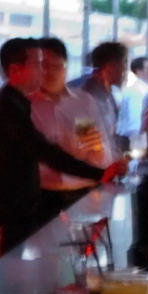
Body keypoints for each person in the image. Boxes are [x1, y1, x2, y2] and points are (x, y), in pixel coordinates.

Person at [0, 38, 124, 254]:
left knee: (67, 260)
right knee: (18, 263)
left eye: (52, 65)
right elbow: (43, 151)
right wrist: (98, 173)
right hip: (30, 203)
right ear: (15, 69)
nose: (45, 71)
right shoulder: (16, 104)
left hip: (73, 196)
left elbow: (89, 144)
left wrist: (100, 164)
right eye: (40, 64)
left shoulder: (79, 102)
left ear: (65, 67)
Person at [34, 38, 122, 222]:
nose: (49, 72)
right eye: (44, 66)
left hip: (81, 195)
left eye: (56, 66)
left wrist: (97, 147)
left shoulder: (81, 103)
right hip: (41, 197)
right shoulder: (28, 105)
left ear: (66, 67)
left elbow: (94, 151)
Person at [69, 40, 130, 157]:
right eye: (124, 64)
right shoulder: (84, 100)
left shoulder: (109, 95)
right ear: (111, 67)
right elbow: (84, 141)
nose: (126, 72)